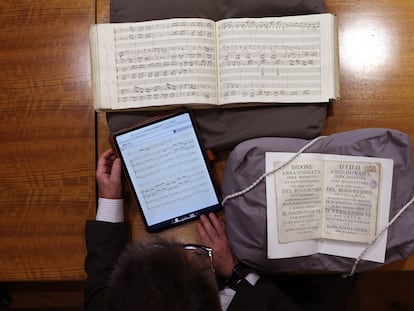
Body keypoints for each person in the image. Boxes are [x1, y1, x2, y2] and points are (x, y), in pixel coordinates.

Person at [84, 149, 352, 311]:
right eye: (197, 258)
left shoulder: (109, 304)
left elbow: (101, 272)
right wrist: (235, 270)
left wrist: (110, 199)